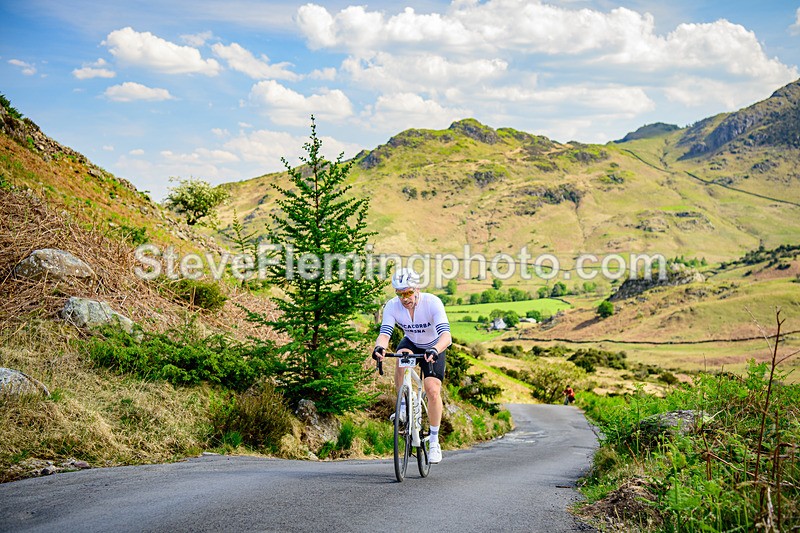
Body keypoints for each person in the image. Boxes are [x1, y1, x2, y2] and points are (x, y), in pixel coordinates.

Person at [372, 267, 451, 464]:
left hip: (433, 346)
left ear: (417, 289)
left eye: (408, 292)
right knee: (401, 357)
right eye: (400, 294)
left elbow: (446, 337)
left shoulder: (432, 303)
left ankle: (434, 441)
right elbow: (385, 333)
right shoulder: (392, 306)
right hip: (412, 342)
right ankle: (404, 406)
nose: (404, 298)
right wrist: (379, 347)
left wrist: (435, 350)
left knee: (432, 389)